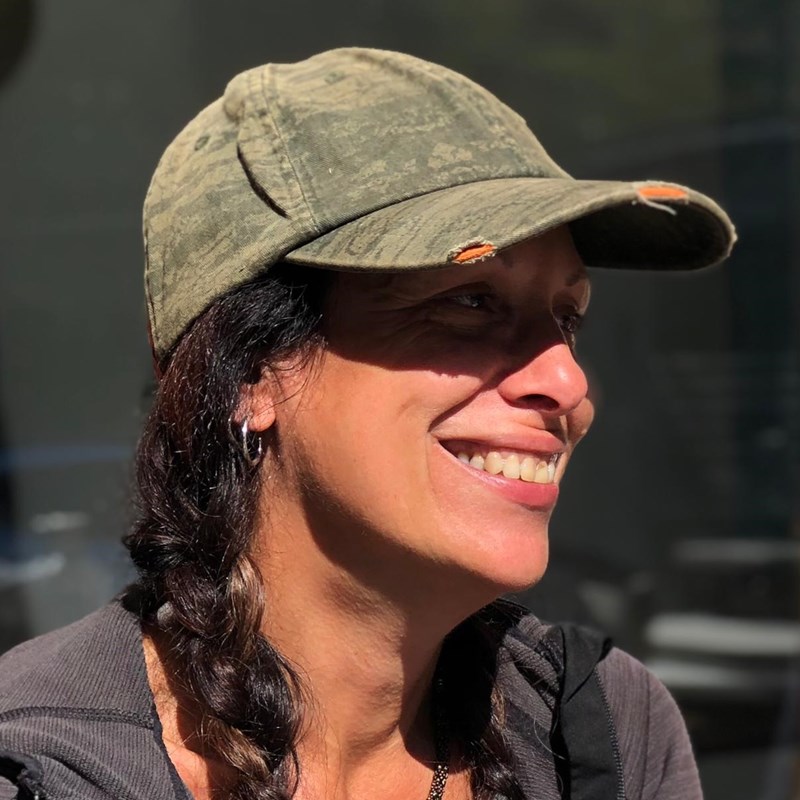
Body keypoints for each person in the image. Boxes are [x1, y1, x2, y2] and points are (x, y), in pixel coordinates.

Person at [0, 48, 735, 800]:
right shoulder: (42, 771)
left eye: (568, 318)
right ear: (247, 370)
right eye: (469, 302)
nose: (568, 384)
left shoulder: (597, 729)